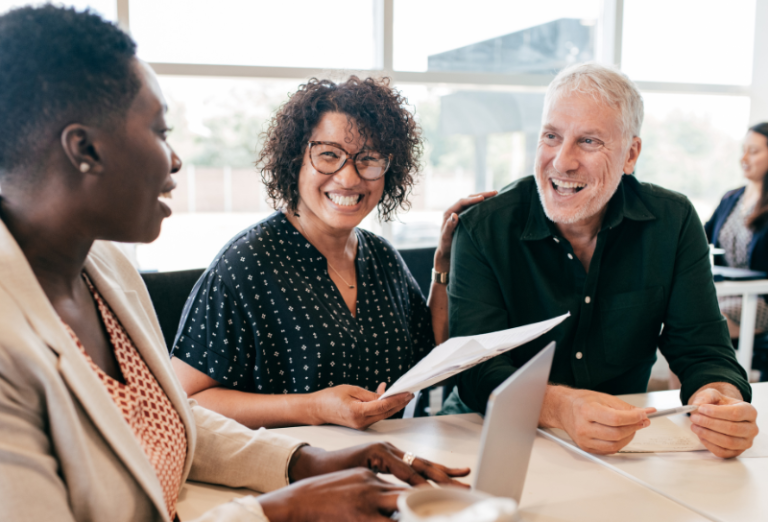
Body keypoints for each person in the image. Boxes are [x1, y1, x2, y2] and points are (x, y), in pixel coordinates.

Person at [0, 6, 469, 522]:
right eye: (159, 131)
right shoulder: (9, 344)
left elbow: (176, 418)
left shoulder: (106, 271)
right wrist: (279, 510)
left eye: (368, 160)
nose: (175, 159)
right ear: (85, 149)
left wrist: (310, 462)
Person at [445, 62, 759, 458]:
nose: (562, 161)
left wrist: (721, 400)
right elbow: (477, 371)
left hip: (620, 442)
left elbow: (703, 351)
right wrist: (562, 407)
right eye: (551, 136)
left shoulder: (673, 221)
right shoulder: (483, 228)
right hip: (488, 431)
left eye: (589, 141)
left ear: (630, 155)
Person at [170, 76, 495, 430]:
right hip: (286, 472)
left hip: (381, 461)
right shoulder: (246, 265)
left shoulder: (381, 257)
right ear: (295, 159)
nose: (349, 178)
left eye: (368, 159)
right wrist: (312, 408)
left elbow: (431, 349)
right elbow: (187, 400)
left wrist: (443, 263)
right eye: (329, 155)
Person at [705, 123, 768, 341]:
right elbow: (699, 238)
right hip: (724, 291)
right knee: (680, 321)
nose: (744, 158)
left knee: (700, 329)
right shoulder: (731, 198)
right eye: (743, 150)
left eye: (754, 151)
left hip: (760, 299)